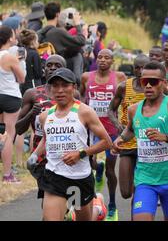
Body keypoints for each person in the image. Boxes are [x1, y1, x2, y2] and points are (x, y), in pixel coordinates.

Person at [112, 62, 168, 221]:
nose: (148, 86)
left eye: (153, 82)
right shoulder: (134, 109)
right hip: (145, 178)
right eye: (144, 81)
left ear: (164, 83)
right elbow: (131, 129)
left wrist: (167, 137)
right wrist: (120, 139)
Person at [30, 68, 112, 220]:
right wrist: (34, 155)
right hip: (54, 177)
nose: (60, 90)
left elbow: (106, 142)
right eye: (55, 86)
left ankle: (98, 208)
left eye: (65, 85)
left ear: (74, 87)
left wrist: (80, 154)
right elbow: (46, 139)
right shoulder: (45, 116)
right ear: (50, 89)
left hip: (79, 178)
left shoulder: (84, 112)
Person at [80, 49, 127, 221]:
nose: (102, 60)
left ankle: (113, 205)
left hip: (111, 129)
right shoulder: (86, 77)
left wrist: (121, 122)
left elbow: (125, 99)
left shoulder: (120, 77)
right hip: (91, 128)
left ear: (112, 61)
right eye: (100, 57)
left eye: (107, 57)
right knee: (89, 163)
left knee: (110, 169)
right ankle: (96, 170)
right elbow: (81, 98)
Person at [19, 55, 67, 200]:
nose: (52, 68)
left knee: (64, 198)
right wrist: (31, 114)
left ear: (64, 69)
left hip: (66, 153)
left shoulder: (72, 94)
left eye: (57, 66)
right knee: (49, 196)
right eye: (49, 65)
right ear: (43, 69)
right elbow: (18, 129)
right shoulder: (32, 94)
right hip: (41, 156)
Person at [107, 54, 150, 201]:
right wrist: (117, 124)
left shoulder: (155, 88)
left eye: (143, 67)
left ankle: (140, 206)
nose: (140, 71)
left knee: (140, 190)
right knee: (125, 192)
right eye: (137, 67)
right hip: (127, 142)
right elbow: (111, 109)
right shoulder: (124, 86)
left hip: (147, 143)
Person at [0, 26, 26, 183]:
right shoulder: (10, 57)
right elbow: (22, 78)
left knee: (1, 133)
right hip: (10, 96)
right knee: (9, 134)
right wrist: (20, 62)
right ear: (9, 38)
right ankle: (8, 174)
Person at [38, 3, 87, 85]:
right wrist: (77, 24)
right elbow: (81, 40)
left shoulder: (41, 32)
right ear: (57, 14)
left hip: (45, 72)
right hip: (57, 75)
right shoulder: (58, 32)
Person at [18, 29, 43, 94]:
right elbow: (38, 73)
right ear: (33, 42)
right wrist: (45, 57)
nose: (38, 43)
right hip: (33, 85)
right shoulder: (34, 53)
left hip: (22, 85)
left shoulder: (20, 51)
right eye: (37, 41)